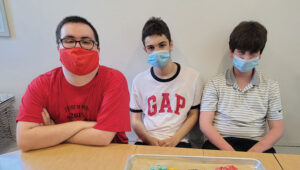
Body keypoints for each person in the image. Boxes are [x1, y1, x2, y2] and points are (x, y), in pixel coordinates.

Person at [16, 16, 130, 152]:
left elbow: (103, 137)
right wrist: (85, 125)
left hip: (110, 154)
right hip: (58, 157)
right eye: (69, 41)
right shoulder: (40, 85)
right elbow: (24, 140)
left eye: (86, 41)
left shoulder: (114, 79)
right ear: (58, 47)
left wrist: (51, 131)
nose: (77, 46)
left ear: (98, 49)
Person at [200, 21, 284, 153]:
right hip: (220, 143)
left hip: (256, 145)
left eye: (253, 53)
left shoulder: (271, 86)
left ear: (260, 54)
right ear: (232, 52)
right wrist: (230, 152)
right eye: (241, 52)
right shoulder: (215, 83)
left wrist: (254, 152)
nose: (246, 58)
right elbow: (205, 124)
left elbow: (278, 128)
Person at [130, 17, 203, 148]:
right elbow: (135, 119)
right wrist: (148, 139)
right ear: (145, 50)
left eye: (162, 45)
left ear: (171, 45)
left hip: (180, 141)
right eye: (151, 47)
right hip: (145, 141)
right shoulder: (139, 81)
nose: (157, 52)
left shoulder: (193, 77)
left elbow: (193, 114)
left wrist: (175, 139)